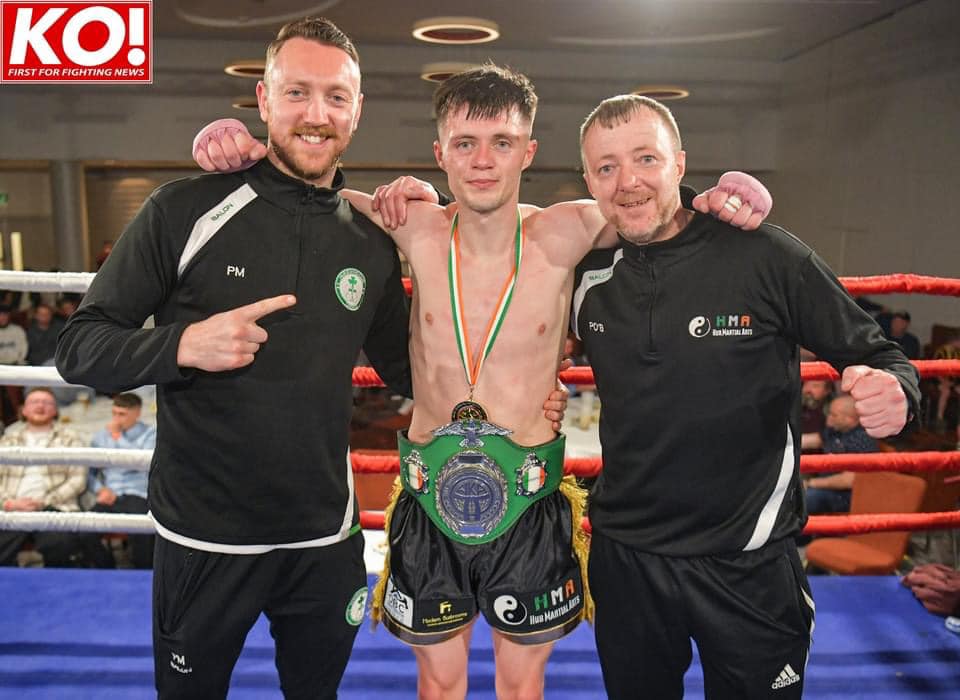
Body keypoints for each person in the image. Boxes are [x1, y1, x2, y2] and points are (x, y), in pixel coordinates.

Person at [196, 63, 772, 698]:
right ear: (441, 153)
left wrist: (723, 197)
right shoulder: (413, 224)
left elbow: (652, 205)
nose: (482, 162)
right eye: (465, 144)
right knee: (439, 687)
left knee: (520, 688)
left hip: (528, 501)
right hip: (427, 496)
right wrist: (240, 146)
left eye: (501, 142)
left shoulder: (568, 228)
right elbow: (304, 191)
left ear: (528, 150)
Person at [55, 18, 416, 699]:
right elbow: (81, 347)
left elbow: (410, 373)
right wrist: (183, 344)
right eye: (298, 93)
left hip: (322, 534)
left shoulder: (371, 237)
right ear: (263, 96)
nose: (317, 115)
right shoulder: (183, 209)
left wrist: (439, 238)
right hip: (205, 536)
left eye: (336, 97)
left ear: (358, 108)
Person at [572, 93, 920, 699]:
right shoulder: (584, 275)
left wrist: (898, 391)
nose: (627, 181)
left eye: (645, 159)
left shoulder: (764, 254)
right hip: (628, 559)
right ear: (588, 181)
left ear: (680, 164)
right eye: (606, 167)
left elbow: (879, 354)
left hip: (748, 560)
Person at [0, 388, 113, 568]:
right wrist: (8, 503)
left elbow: (78, 479)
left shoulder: (71, 438)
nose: (40, 406)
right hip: (11, 508)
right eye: (34, 402)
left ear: (55, 410)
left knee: (61, 545)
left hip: (56, 507)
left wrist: (43, 502)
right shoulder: (7, 439)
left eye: (47, 402)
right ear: (24, 409)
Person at [88, 392, 156, 568]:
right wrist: (99, 489)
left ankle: (141, 575)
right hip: (110, 494)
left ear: (137, 413)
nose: (117, 419)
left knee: (143, 533)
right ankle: (107, 571)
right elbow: (90, 472)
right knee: (84, 531)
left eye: (122, 414)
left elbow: (139, 463)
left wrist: (118, 439)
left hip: (138, 494)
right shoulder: (101, 436)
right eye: (114, 413)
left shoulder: (150, 434)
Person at [803, 394, 878, 515]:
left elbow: (851, 479)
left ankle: (802, 533)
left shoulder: (862, 439)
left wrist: (811, 483)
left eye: (834, 415)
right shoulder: (836, 429)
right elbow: (814, 440)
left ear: (849, 419)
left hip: (844, 494)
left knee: (803, 499)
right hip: (823, 485)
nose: (829, 417)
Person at [0, 303, 28, 425]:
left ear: (9, 316)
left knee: (15, 395)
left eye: (4, 315)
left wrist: (18, 365)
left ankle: (19, 421)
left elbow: (23, 350)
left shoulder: (17, 330)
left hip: (14, 366)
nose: (2, 317)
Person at [799, 378, 833, 452]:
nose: (808, 390)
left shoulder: (832, 410)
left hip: (820, 457)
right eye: (806, 384)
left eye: (815, 386)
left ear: (827, 391)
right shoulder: (793, 407)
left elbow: (830, 437)